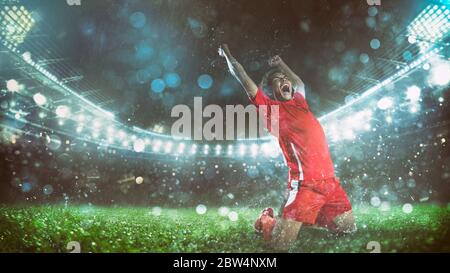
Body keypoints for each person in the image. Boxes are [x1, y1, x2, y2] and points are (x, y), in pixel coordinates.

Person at [219, 44, 356, 251]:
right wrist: (228, 54)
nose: (284, 81)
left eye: (285, 80)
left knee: (348, 229)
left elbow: (299, 82)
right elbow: (241, 76)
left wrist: (281, 64)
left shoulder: (300, 102)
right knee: (279, 246)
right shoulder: (271, 110)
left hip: (330, 182)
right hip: (305, 186)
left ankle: (309, 217)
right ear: (270, 91)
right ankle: (267, 220)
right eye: (277, 81)